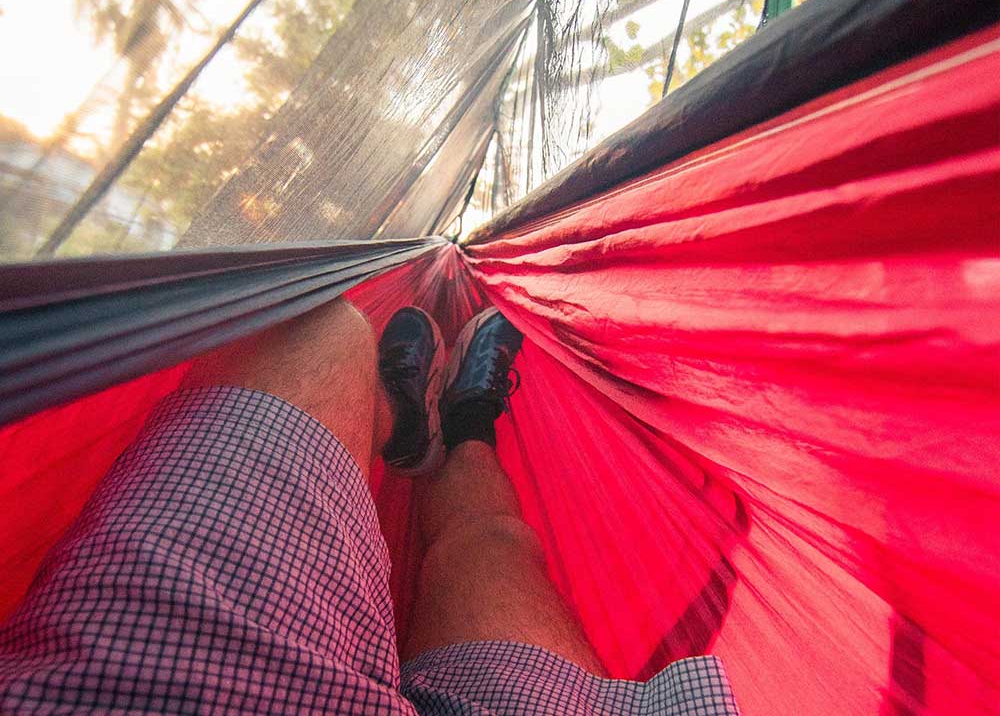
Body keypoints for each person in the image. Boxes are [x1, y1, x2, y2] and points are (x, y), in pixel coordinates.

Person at [0, 299, 740, 714]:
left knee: (311, 330)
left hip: (167, 696)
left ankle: (396, 418)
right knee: (491, 546)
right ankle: (465, 420)